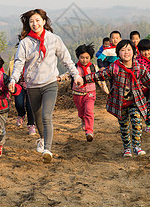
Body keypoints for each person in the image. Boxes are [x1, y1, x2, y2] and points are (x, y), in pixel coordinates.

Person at [9, 9, 83, 163]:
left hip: (50, 83)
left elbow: (66, 58)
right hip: (32, 85)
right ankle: (42, 138)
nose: (34, 24)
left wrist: (76, 75)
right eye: (31, 21)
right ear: (28, 24)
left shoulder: (54, 39)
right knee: (37, 117)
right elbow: (18, 63)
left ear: (44, 21)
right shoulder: (25, 43)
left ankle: (47, 150)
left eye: (37, 20)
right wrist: (13, 80)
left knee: (46, 116)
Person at [84, 40, 150, 157]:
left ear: (134, 53)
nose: (126, 52)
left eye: (129, 50)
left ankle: (136, 147)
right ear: (118, 53)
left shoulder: (139, 68)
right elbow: (100, 75)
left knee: (137, 123)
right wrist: (84, 79)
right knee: (124, 126)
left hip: (135, 101)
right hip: (120, 103)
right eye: (123, 50)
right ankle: (127, 149)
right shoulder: (114, 68)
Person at [59, 44, 109, 142]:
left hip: (90, 93)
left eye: (87, 58)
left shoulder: (94, 68)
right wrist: (59, 78)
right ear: (78, 57)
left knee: (89, 111)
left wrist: (107, 91)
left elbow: (100, 80)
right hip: (77, 94)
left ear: (90, 57)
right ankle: (83, 120)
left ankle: (89, 131)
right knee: (81, 113)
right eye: (82, 57)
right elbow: (67, 75)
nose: (84, 60)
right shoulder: (75, 68)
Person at [9, 53, 36, 136]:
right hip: (18, 84)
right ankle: (21, 115)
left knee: (30, 105)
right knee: (19, 103)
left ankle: (31, 125)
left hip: (31, 84)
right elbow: (11, 71)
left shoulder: (34, 59)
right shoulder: (15, 58)